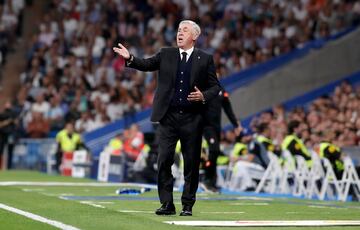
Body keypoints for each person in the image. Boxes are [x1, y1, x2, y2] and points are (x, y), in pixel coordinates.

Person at [113, 20, 220, 216]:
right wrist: (130, 58)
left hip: (192, 118)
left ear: (194, 36)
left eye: (185, 30)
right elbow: (147, 64)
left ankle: (187, 205)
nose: (180, 33)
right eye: (179, 30)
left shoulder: (205, 59)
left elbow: (215, 87)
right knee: (163, 161)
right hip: (167, 117)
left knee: (191, 163)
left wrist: (204, 95)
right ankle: (167, 204)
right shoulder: (166, 53)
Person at [202, 85, 242, 192]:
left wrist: (236, 124)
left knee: (215, 152)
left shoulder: (221, 90)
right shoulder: (202, 86)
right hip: (206, 125)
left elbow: (227, 107)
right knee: (214, 150)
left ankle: (212, 182)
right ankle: (207, 179)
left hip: (216, 127)